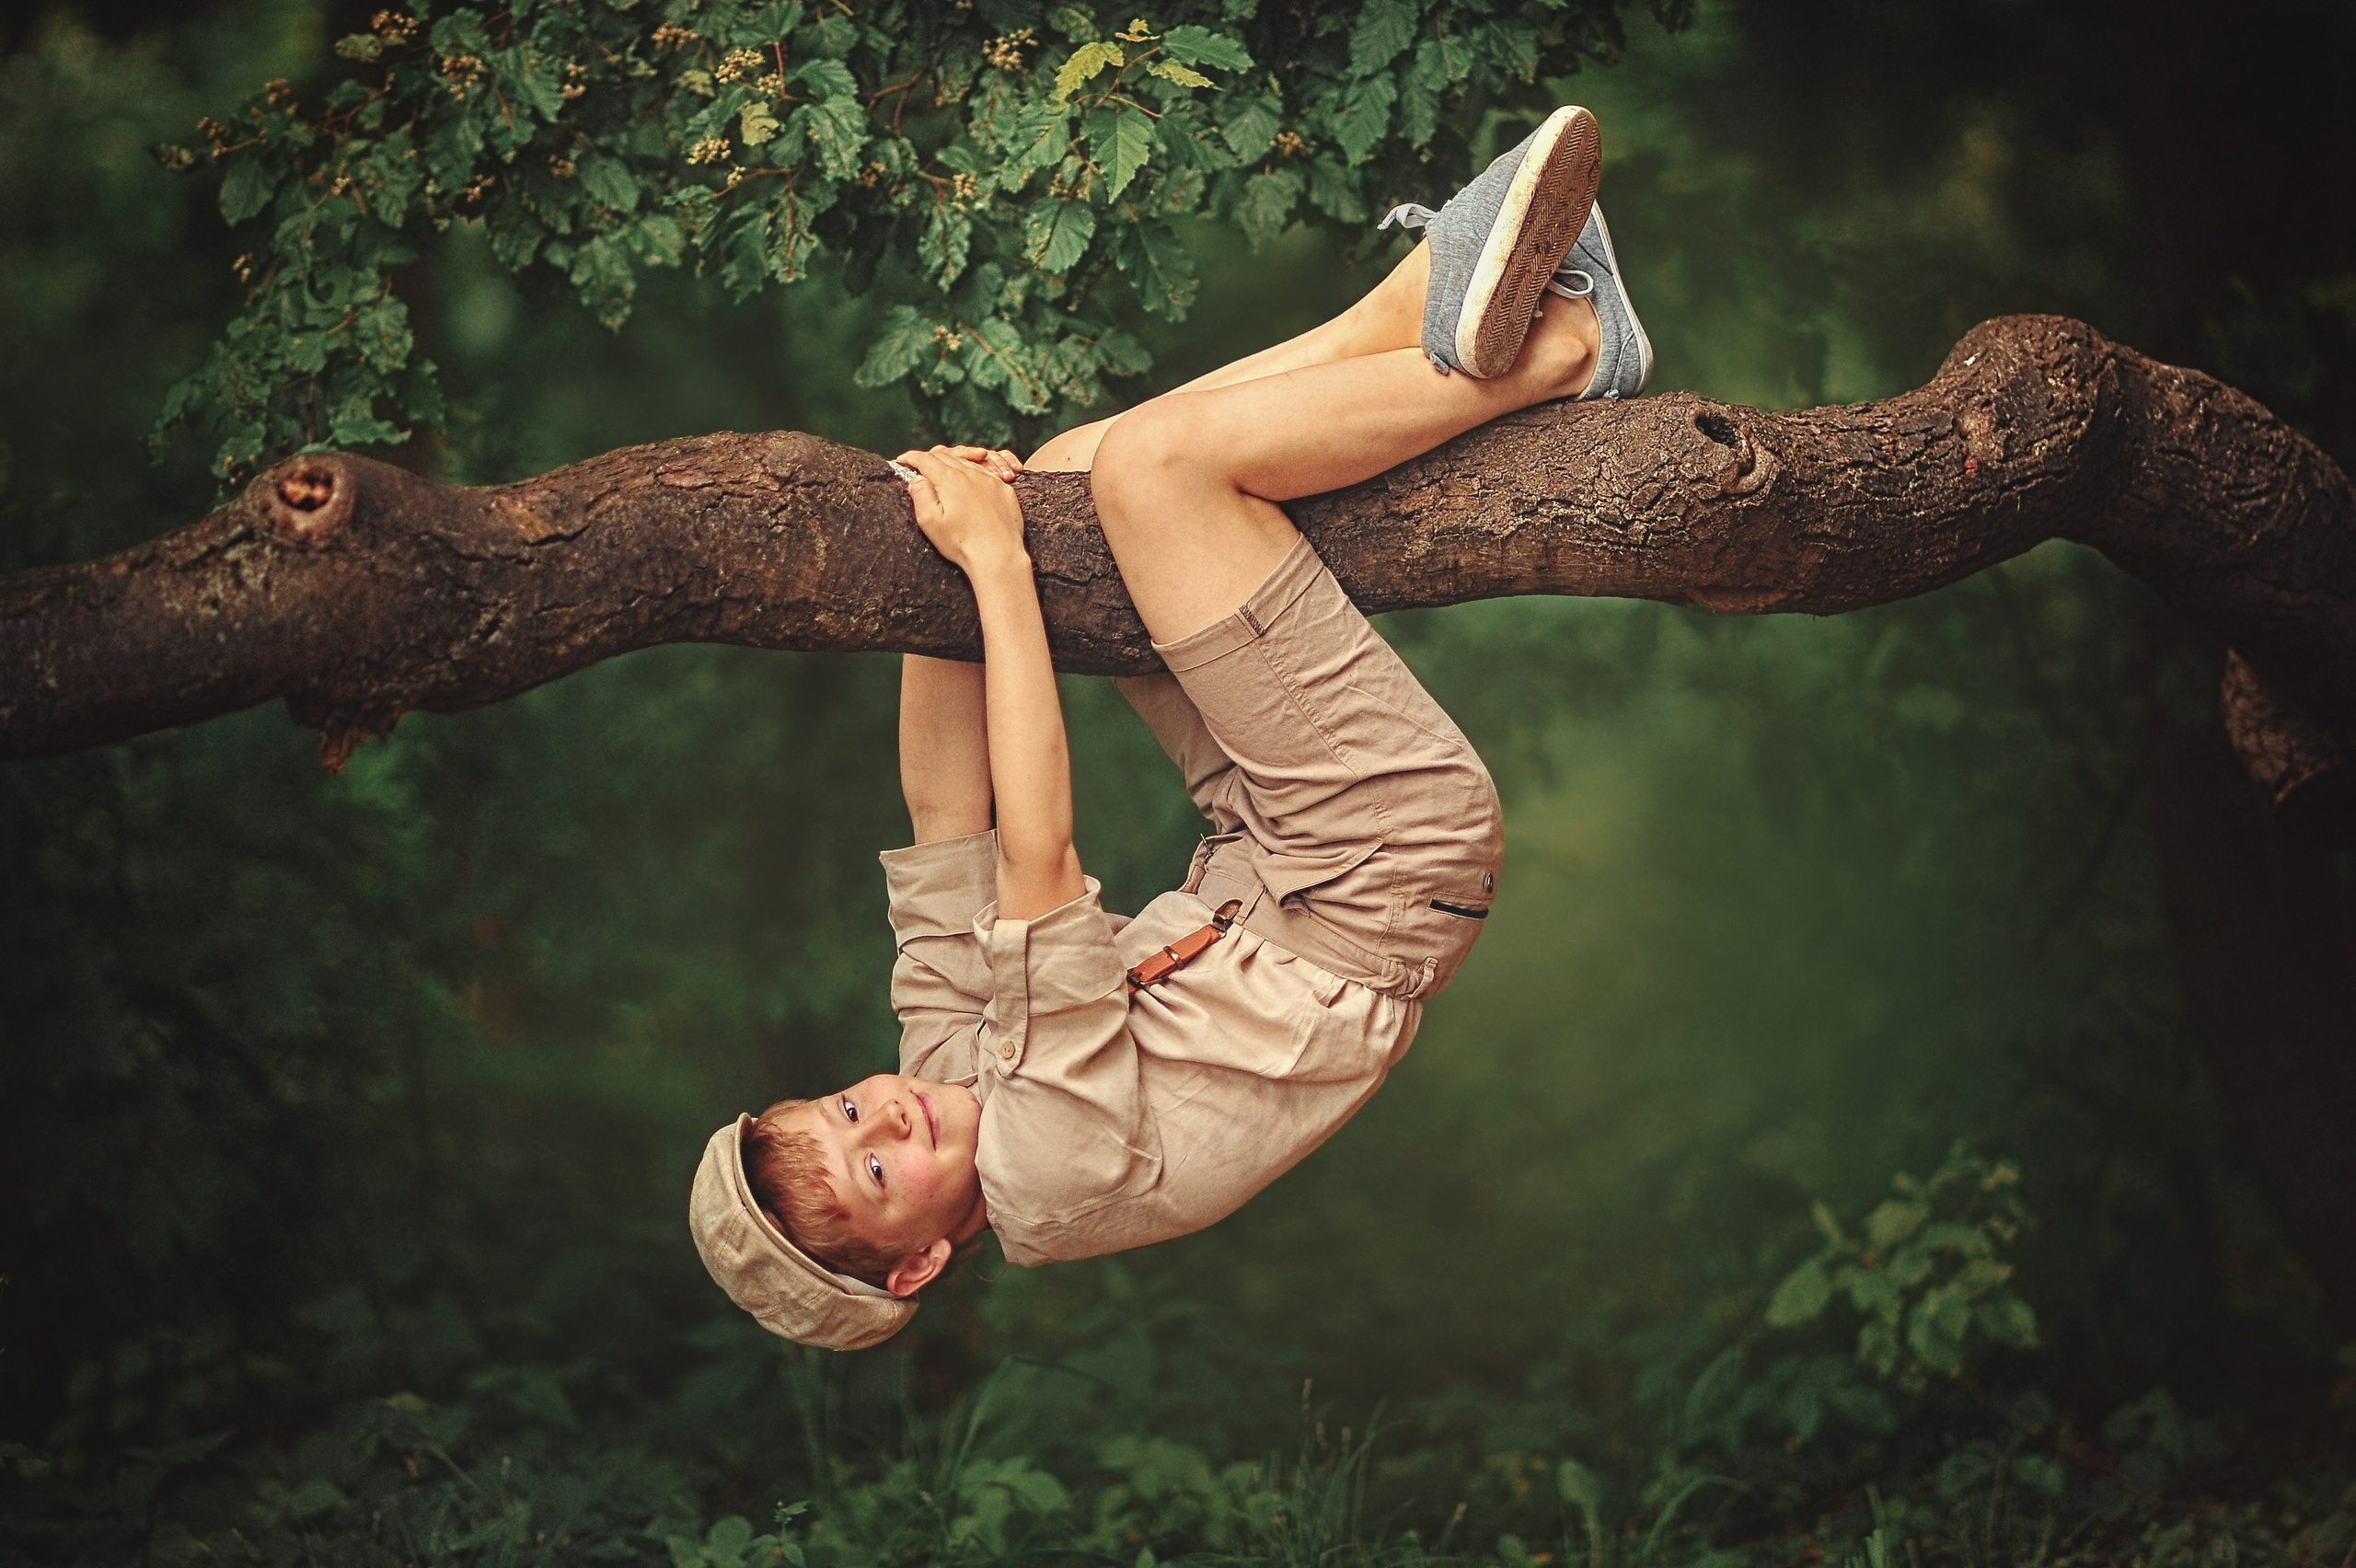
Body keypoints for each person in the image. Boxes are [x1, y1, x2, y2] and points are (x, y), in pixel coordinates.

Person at [688, 105, 1654, 1350]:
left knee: (1075, 475)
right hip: (1375, 870)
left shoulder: (936, 1069)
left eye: (843, 1108)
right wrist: (989, 572)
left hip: (1269, 847)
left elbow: (947, 820)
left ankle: (1424, 301)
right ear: (921, 1260)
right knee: (1149, 479)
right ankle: (1564, 351)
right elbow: (1035, 852)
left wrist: (943, 554)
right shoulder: (1049, 1174)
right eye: (874, 1170)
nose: (887, 1116)